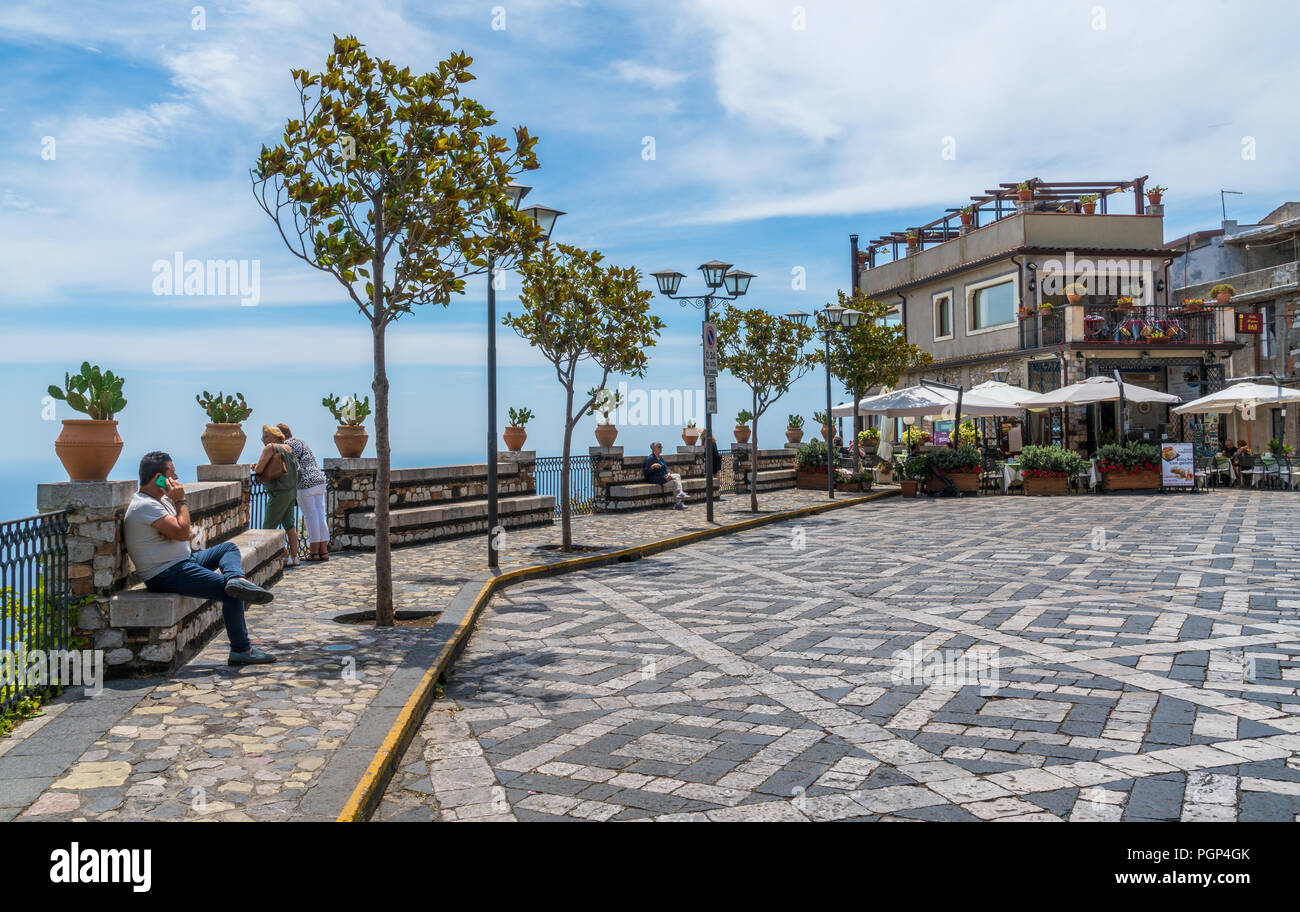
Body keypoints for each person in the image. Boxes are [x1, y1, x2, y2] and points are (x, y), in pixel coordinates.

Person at [123, 451, 276, 666]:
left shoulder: (159, 501)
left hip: (184, 561)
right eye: (172, 474)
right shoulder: (145, 506)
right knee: (231, 594)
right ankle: (241, 650)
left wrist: (177, 528)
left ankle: (235, 578)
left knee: (228, 548)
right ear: (159, 477)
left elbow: (182, 530)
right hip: (166, 573)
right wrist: (181, 502)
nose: (176, 479)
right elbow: (184, 532)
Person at [277, 423, 328, 562]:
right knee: (320, 516)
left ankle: (313, 553)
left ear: (281, 435)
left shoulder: (286, 444)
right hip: (319, 480)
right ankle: (323, 551)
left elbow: (282, 465)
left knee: (310, 517)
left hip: (305, 483)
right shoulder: (301, 442)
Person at [254, 425, 301, 565]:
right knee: (290, 525)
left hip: (278, 492)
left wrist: (255, 467)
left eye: (266, 436)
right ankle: (294, 558)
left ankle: (283, 555)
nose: (263, 439)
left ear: (275, 436)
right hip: (291, 490)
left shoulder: (270, 447)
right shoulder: (288, 448)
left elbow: (259, 469)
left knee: (268, 529)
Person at [644, 441, 687, 509]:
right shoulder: (650, 458)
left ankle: (679, 499)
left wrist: (669, 473)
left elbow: (666, 468)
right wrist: (653, 466)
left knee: (677, 476)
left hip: (664, 477)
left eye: (661, 447)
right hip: (658, 479)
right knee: (675, 482)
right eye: (659, 447)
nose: (661, 448)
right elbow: (647, 473)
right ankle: (679, 502)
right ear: (654, 449)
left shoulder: (660, 458)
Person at [704, 432, 724, 501]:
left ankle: (713, 493)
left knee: (711, 478)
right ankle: (717, 493)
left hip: (712, 462)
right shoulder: (713, 442)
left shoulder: (707, 443)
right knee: (717, 479)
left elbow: (706, 454)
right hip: (717, 461)